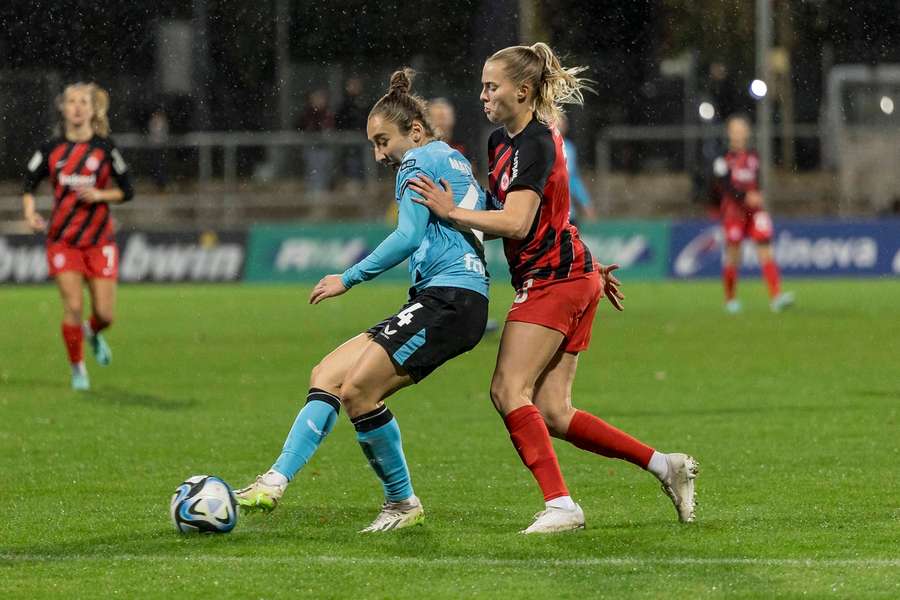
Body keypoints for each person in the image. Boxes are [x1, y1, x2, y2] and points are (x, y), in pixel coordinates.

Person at [410, 43, 697, 534]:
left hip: (554, 280)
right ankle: (664, 466)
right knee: (553, 412)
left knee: (507, 389)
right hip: (574, 273)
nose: (482, 95)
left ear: (522, 91)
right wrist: (587, 263)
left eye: (491, 86)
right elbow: (551, 213)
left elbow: (519, 223)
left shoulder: (538, 141)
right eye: (482, 85)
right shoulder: (500, 142)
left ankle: (562, 505)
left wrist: (450, 211)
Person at [234, 69, 490, 533]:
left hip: (449, 298)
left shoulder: (415, 163)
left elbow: (407, 236)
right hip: (455, 297)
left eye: (382, 141)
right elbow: (488, 219)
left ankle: (402, 503)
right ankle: (273, 481)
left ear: (413, 131)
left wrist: (348, 278)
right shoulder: (453, 159)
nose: (379, 154)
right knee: (328, 375)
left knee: (357, 392)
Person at [22, 82, 134, 391]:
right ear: (63, 108)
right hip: (63, 240)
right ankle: (78, 369)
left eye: (83, 101)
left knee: (106, 315)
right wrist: (30, 213)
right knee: (72, 306)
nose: (77, 107)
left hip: (99, 241)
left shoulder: (105, 148)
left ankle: (92, 331)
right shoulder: (50, 150)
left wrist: (100, 194)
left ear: (91, 108)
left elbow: (128, 190)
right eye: (71, 101)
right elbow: (28, 184)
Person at [711, 115, 794, 313]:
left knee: (766, 250)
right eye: (735, 130)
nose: (738, 134)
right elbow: (725, 187)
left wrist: (758, 195)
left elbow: (757, 182)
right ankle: (730, 300)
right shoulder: (722, 160)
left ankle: (776, 297)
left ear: (747, 133)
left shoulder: (754, 157)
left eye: (742, 130)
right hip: (734, 213)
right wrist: (745, 197)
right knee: (733, 256)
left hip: (755, 212)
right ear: (729, 133)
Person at [557, 114, 596, 226]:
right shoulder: (541, 146)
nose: (560, 125)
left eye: (562, 123)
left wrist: (585, 202)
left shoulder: (569, 148)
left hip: (567, 213)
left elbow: (573, 179)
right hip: (546, 213)